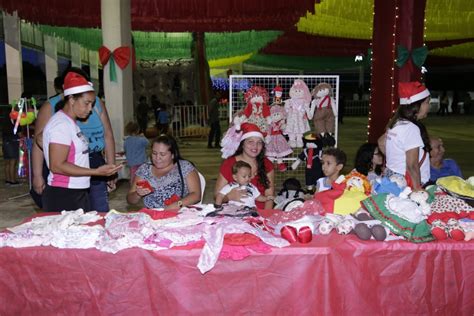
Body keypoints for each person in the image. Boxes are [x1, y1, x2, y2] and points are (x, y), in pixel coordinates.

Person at [32, 67, 117, 212]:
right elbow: (57, 166)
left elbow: (42, 140)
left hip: (76, 190)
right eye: (86, 103)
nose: (90, 109)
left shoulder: (70, 123)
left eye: (92, 103)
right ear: (71, 100)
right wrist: (96, 172)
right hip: (64, 193)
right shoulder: (61, 124)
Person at [126, 134, 201, 209]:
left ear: (173, 155)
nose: (157, 158)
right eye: (154, 153)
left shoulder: (184, 167)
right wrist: (137, 194)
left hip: (179, 214)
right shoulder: (144, 170)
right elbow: (130, 200)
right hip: (151, 215)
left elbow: (196, 195)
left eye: (162, 154)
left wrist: (177, 205)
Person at [380, 81, 431, 190]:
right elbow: (412, 165)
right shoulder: (411, 128)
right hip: (407, 183)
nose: (429, 106)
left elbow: (381, 142)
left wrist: (395, 160)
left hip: (392, 177)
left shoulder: (395, 123)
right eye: (427, 102)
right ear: (417, 106)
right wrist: (417, 189)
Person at [215, 123, 275, 209]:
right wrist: (229, 197)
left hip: (259, 213)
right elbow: (217, 195)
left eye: (259, 142)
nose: (255, 146)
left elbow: (269, 195)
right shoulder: (229, 163)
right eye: (250, 142)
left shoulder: (267, 164)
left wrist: (266, 216)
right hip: (233, 213)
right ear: (242, 144)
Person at [2, 115, 20, 186]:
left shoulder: (5, 125)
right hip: (13, 142)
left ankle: (8, 179)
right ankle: (13, 180)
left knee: (7, 162)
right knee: (13, 162)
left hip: (5, 142)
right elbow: (19, 133)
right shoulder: (15, 124)